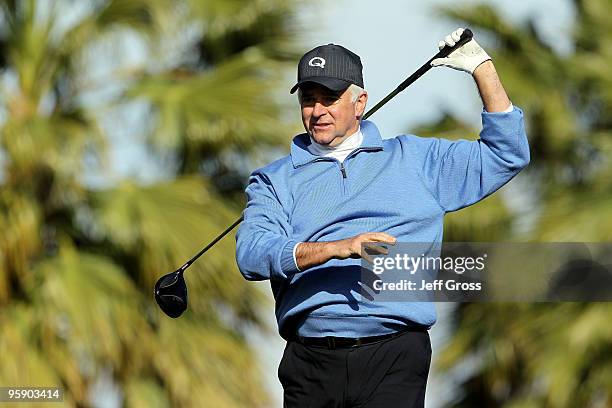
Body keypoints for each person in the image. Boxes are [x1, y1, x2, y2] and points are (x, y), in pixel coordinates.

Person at [235, 28, 530, 408]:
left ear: (360, 103)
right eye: (309, 100)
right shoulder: (274, 180)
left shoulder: (415, 159)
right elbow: (253, 255)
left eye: (331, 98)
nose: (318, 110)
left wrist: (481, 68)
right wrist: (336, 249)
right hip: (309, 360)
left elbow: (507, 155)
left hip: (394, 353)